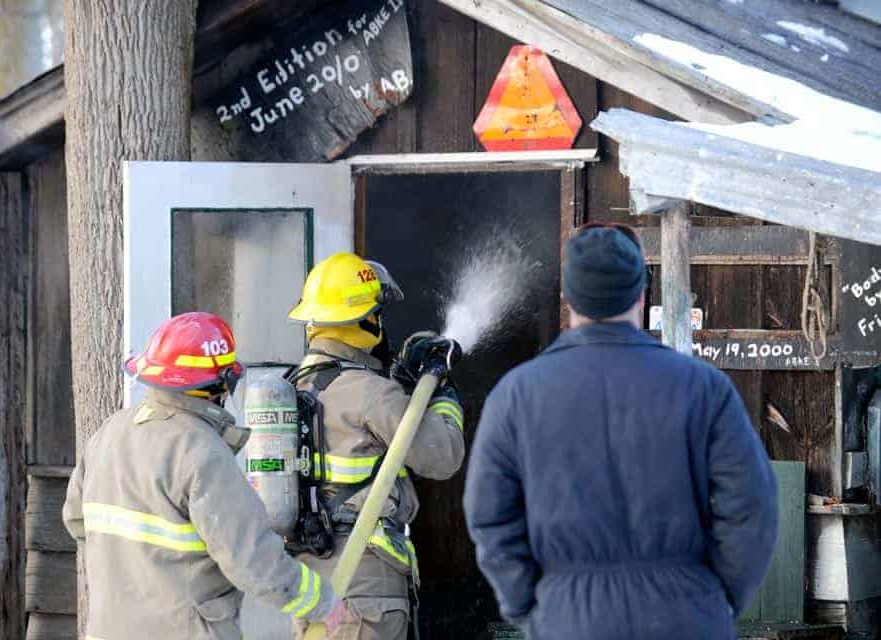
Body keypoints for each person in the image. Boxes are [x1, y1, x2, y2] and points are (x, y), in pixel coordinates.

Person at [463, 224, 778, 640]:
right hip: (686, 614)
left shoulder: (516, 395)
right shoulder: (703, 387)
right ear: (641, 295)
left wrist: (530, 604)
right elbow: (751, 504)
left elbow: (489, 514)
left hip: (570, 619)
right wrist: (716, 596)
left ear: (570, 297)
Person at [63, 312, 345, 640]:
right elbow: (253, 560)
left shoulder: (109, 433)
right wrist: (322, 602)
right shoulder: (201, 451)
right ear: (219, 385)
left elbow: (75, 521)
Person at [286, 252, 466, 640]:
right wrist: (444, 396)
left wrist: (400, 376)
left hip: (314, 584)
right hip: (365, 588)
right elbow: (443, 456)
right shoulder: (371, 394)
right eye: (378, 316)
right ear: (365, 321)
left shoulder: (296, 387)